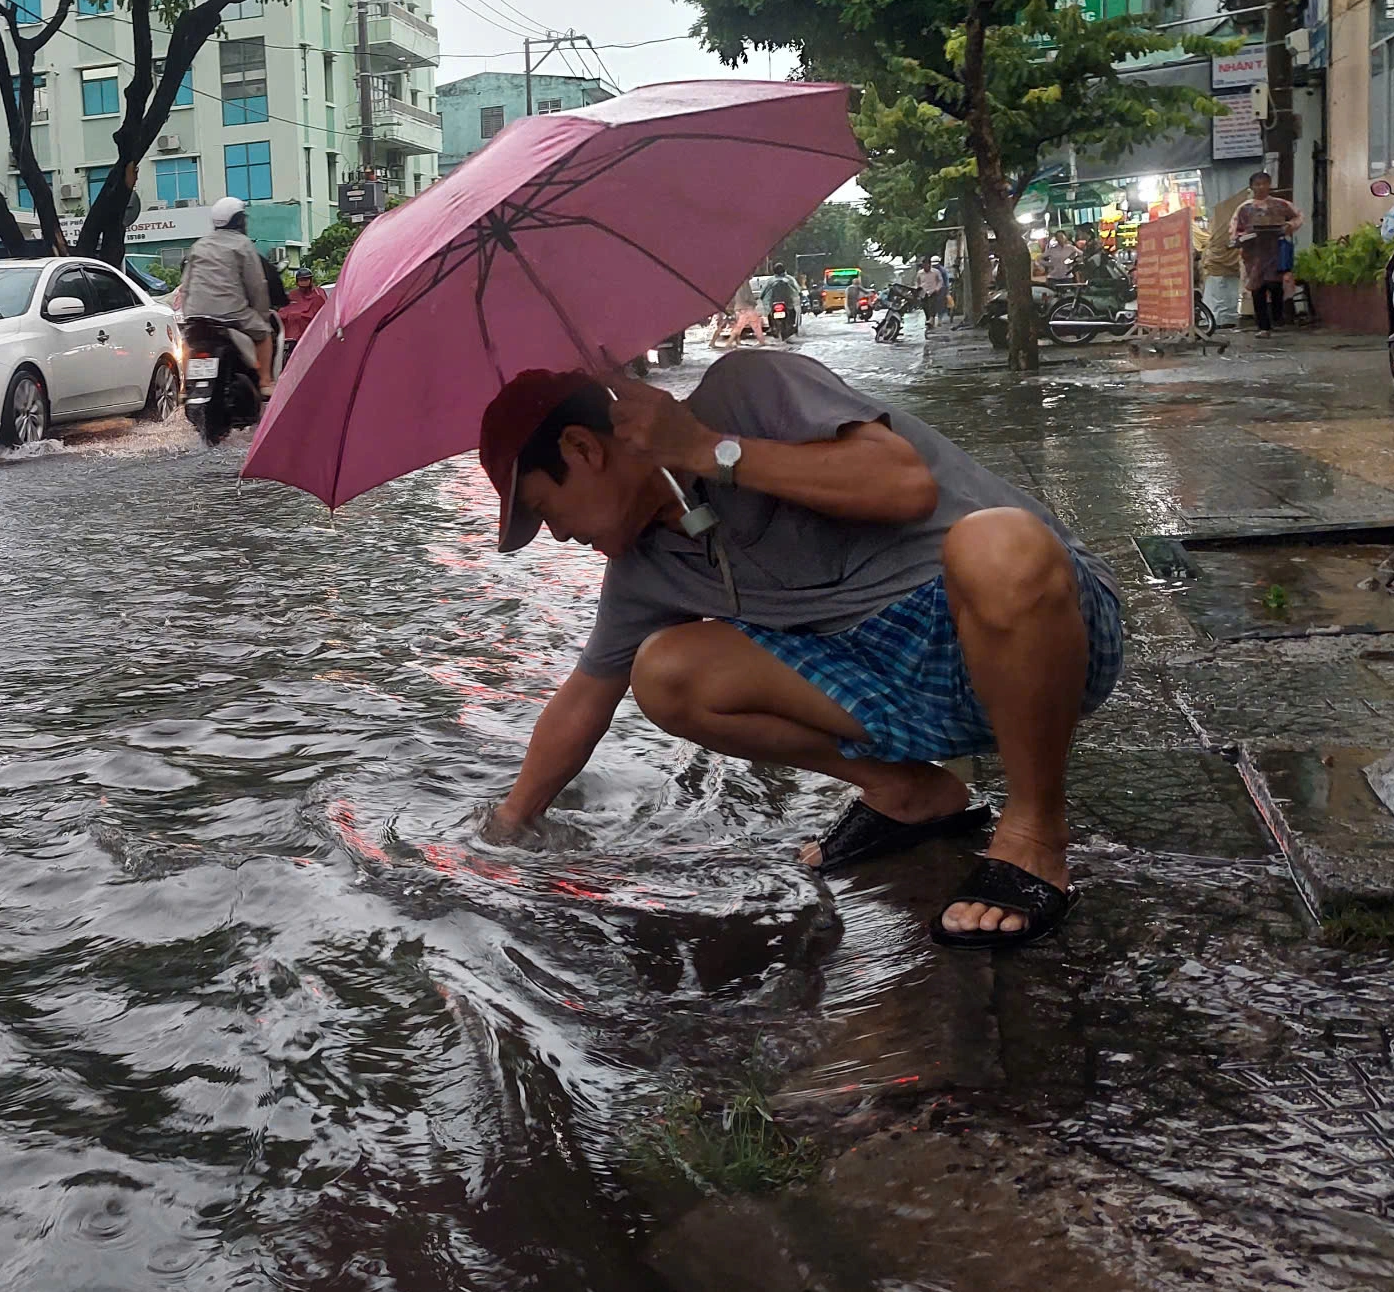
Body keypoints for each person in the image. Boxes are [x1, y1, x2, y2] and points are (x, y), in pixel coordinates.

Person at [474, 355, 1126, 948]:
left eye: (543, 507)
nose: (556, 535)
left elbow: (903, 486)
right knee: (665, 672)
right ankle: (909, 794)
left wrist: (705, 451)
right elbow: (583, 699)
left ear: (582, 448)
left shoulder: (747, 391)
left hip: (1043, 638)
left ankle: (1036, 831)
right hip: (903, 691)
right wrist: (505, 830)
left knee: (999, 542)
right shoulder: (647, 567)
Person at [175, 196, 278, 391]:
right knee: (264, 334)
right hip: (231, 314)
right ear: (239, 220)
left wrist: (190, 314)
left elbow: (186, 285)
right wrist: (262, 315)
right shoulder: (242, 244)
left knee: (189, 341)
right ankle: (265, 381)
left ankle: (185, 387)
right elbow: (256, 285)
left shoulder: (199, 245)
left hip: (196, 315)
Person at [1230, 173, 1301, 335]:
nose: (1261, 187)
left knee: (1275, 285)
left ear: (1270, 185)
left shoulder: (1281, 204)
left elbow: (1298, 217)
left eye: (1264, 184)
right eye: (1257, 184)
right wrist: (1240, 238)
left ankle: (1277, 317)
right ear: (1252, 187)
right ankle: (1263, 326)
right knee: (1257, 289)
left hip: (1276, 252)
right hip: (1253, 255)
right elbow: (1235, 229)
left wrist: (1289, 226)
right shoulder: (1244, 208)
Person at [280, 267, 329, 350]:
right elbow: (285, 309)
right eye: (301, 280)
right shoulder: (293, 294)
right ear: (297, 281)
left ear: (310, 280)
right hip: (292, 334)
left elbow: (323, 311)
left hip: (312, 331)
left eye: (306, 280)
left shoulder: (318, 293)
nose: (304, 283)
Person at [917, 257, 947, 333]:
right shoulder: (920, 273)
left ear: (930, 265)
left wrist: (937, 288)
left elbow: (941, 281)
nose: (926, 267)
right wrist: (918, 289)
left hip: (933, 291)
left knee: (932, 306)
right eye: (924, 265)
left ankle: (931, 319)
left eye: (927, 265)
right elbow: (918, 282)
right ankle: (929, 321)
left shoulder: (936, 272)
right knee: (925, 306)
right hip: (923, 292)